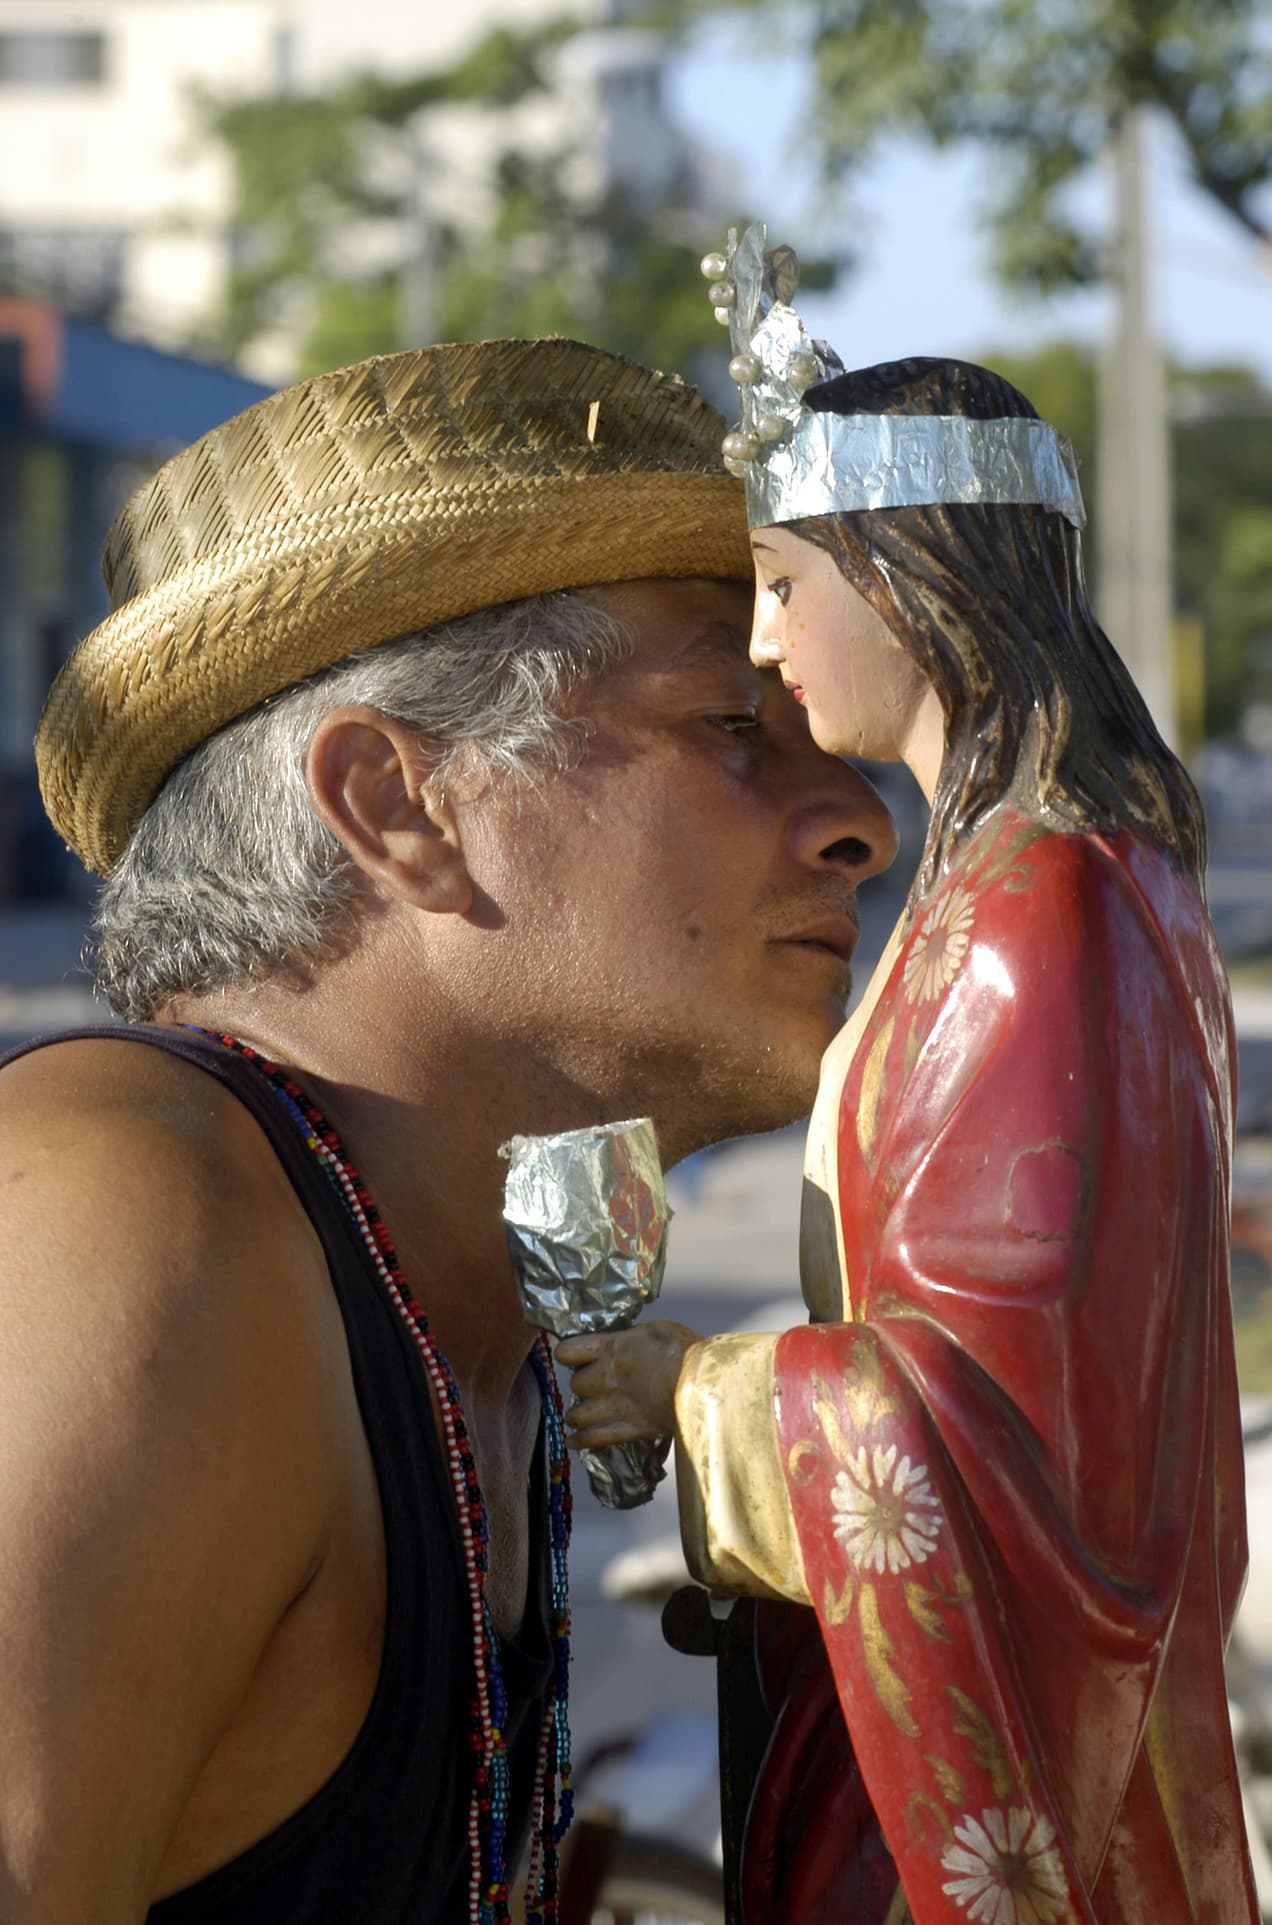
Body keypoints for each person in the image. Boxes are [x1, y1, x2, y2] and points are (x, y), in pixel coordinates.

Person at [0, 334, 899, 1925]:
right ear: (399, 805)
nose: (858, 816)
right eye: (730, 724)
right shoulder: (122, 1211)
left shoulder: (471, 1327)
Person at [560, 239, 1259, 1920]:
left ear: (912, 574)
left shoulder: (1041, 909)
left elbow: (993, 1406)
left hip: (982, 1746)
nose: (763, 636)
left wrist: (701, 1396)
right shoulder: (1043, 878)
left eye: (787, 583)